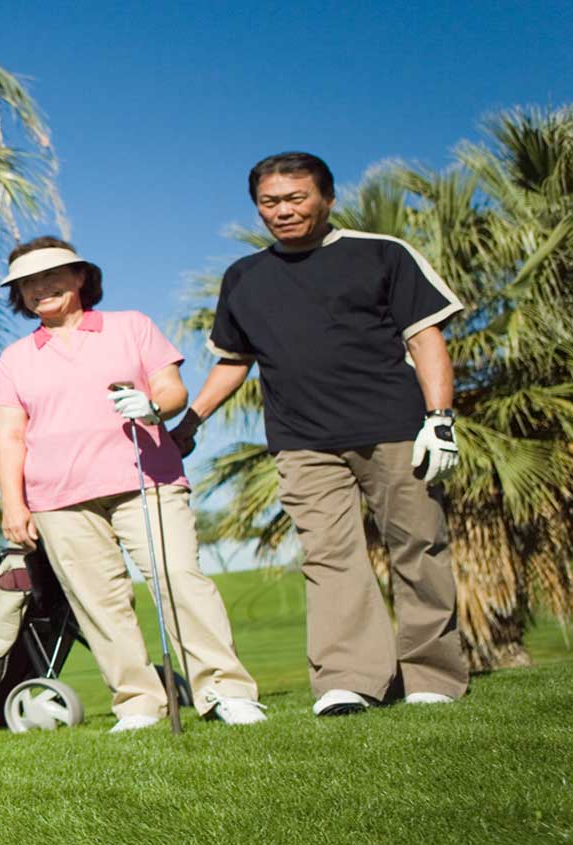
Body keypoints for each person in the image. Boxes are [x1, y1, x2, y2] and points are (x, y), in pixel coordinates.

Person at [170, 152, 468, 716]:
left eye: (295, 198)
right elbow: (235, 361)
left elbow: (426, 339)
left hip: (394, 429)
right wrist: (189, 425)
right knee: (329, 556)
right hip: (301, 439)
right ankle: (351, 679)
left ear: (327, 198)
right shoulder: (244, 278)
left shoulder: (381, 254)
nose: (283, 211)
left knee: (418, 547)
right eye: (269, 202)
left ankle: (433, 675)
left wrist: (440, 421)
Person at [0, 237, 266, 732]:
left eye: (51, 276)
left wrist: (155, 407)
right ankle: (138, 703)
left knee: (179, 579)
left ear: (80, 277)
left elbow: (171, 388)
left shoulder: (131, 326)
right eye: (27, 283)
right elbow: (10, 434)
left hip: (147, 480)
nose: (39, 288)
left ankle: (224, 691)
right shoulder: (16, 357)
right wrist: (14, 504)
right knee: (99, 602)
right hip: (58, 498)